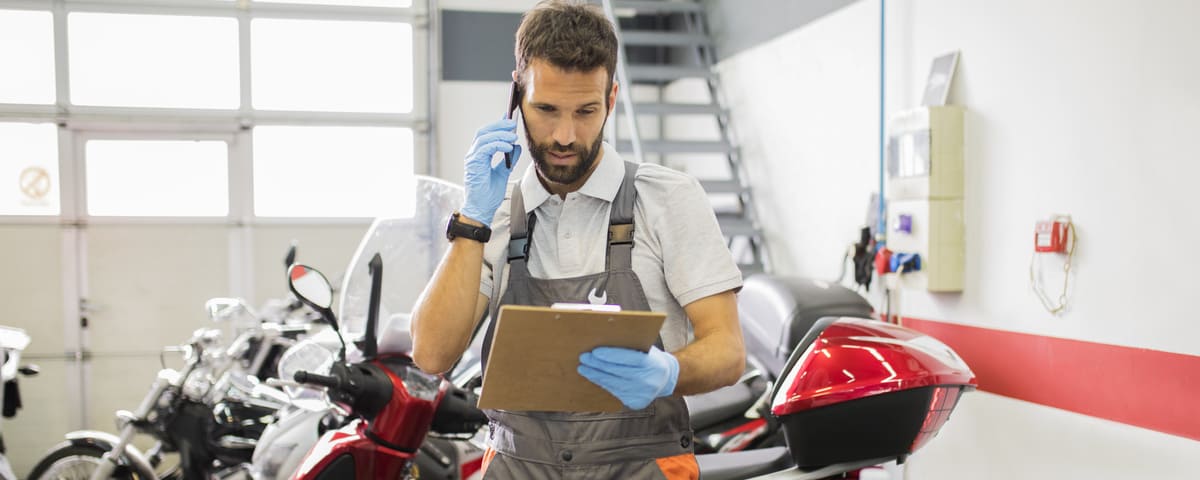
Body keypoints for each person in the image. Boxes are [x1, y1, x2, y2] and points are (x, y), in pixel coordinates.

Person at [410, 1, 745, 478]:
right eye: (546, 109)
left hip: (640, 464)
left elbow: (728, 350)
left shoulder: (668, 198)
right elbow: (432, 354)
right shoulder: (493, 214)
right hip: (517, 466)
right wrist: (472, 220)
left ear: (611, 99)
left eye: (586, 110)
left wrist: (669, 371)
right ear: (516, 97)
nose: (565, 135)